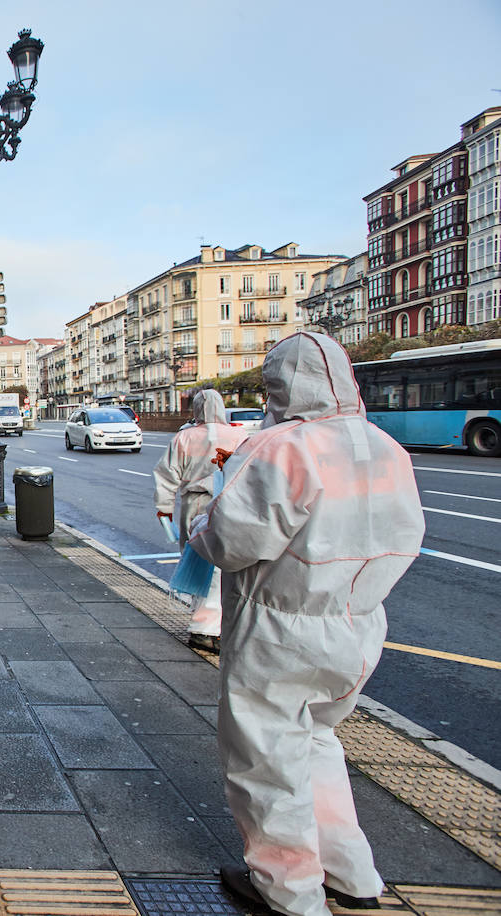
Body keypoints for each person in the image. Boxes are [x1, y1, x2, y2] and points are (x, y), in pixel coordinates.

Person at [187, 333, 425, 916]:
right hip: (359, 625)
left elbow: (230, 542)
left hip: (281, 627)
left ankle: (288, 892)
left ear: (280, 387)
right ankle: (352, 875)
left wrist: (198, 514)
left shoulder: (281, 448)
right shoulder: (386, 448)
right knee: (319, 740)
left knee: (267, 759)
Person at [152, 388, 249, 653]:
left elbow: (166, 475)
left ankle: (203, 625)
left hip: (195, 505)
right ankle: (215, 627)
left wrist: (164, 509)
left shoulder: (184, 438)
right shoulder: (241, 436)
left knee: (196, 563)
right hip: (230, 503)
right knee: (224, 567)